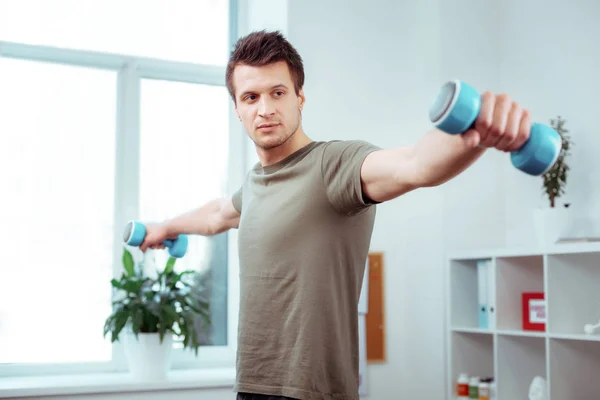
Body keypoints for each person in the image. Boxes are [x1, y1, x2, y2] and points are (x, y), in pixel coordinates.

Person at [139, 30, 532, 400]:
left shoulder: (333, 165)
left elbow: (414, 165)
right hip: (252, 384)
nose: (265, 109)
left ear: (300, 98)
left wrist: (477, 132)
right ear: (238, 110)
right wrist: (165, 227)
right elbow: (218, 214)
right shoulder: (256, 183)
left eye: (278, 92)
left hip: (313, 390)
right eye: (251, 97)